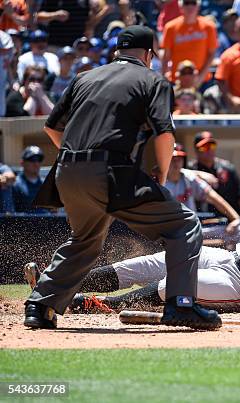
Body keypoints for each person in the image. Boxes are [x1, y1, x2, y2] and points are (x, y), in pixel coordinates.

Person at [24, 26, 221, 331]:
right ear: (149, 55)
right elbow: (164, 133)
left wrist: (79, 160)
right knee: (183, 224)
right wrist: (164, 176)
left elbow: (52, 127)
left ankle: (40, 305)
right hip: (110, 171)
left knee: (86, 240)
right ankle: (181, 304)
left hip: (66, 171)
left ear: (117, 51)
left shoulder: (84, 77)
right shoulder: (151, 78)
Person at [26, 182, 240, 318]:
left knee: (169, 287)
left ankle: (94, 305)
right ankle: (51, 286)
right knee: (151, 262)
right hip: (228, 258)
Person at [163, 143, 240, 244]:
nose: (176, 162)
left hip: (194, 227)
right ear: (165, 160)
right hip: (171, 231)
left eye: (179, 159)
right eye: (173, 159)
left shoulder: (189, 177)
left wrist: (235, 218)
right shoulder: (159, 182)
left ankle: (236, 259)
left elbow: (214, 198)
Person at [188, 131, 240, 234]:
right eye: (204, 147)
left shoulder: (227, 168)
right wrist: (198, 174)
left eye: (212, 145)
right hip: (200, 224)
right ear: (196, 151)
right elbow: (180, 173)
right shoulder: (190, 170)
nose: (209, 150)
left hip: (228, 223)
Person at [161, 0, 218, 85]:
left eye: (193, 3)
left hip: (202, 81)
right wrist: (164, 78)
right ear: (181, 6)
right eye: (186, 3)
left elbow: (211, 54)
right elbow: (166, 56)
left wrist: (200, 77)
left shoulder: (209, 27)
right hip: (177, 80)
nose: (190, 6)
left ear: (198, 6)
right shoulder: (170, 27)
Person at [12, 146, 49, 214]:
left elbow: (53, 211)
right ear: (22, 163)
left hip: (46, 222)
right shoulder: (15, 184)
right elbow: (11, 213)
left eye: (39, 160)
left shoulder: (46, 184)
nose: (36, 163)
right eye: (32, 160)